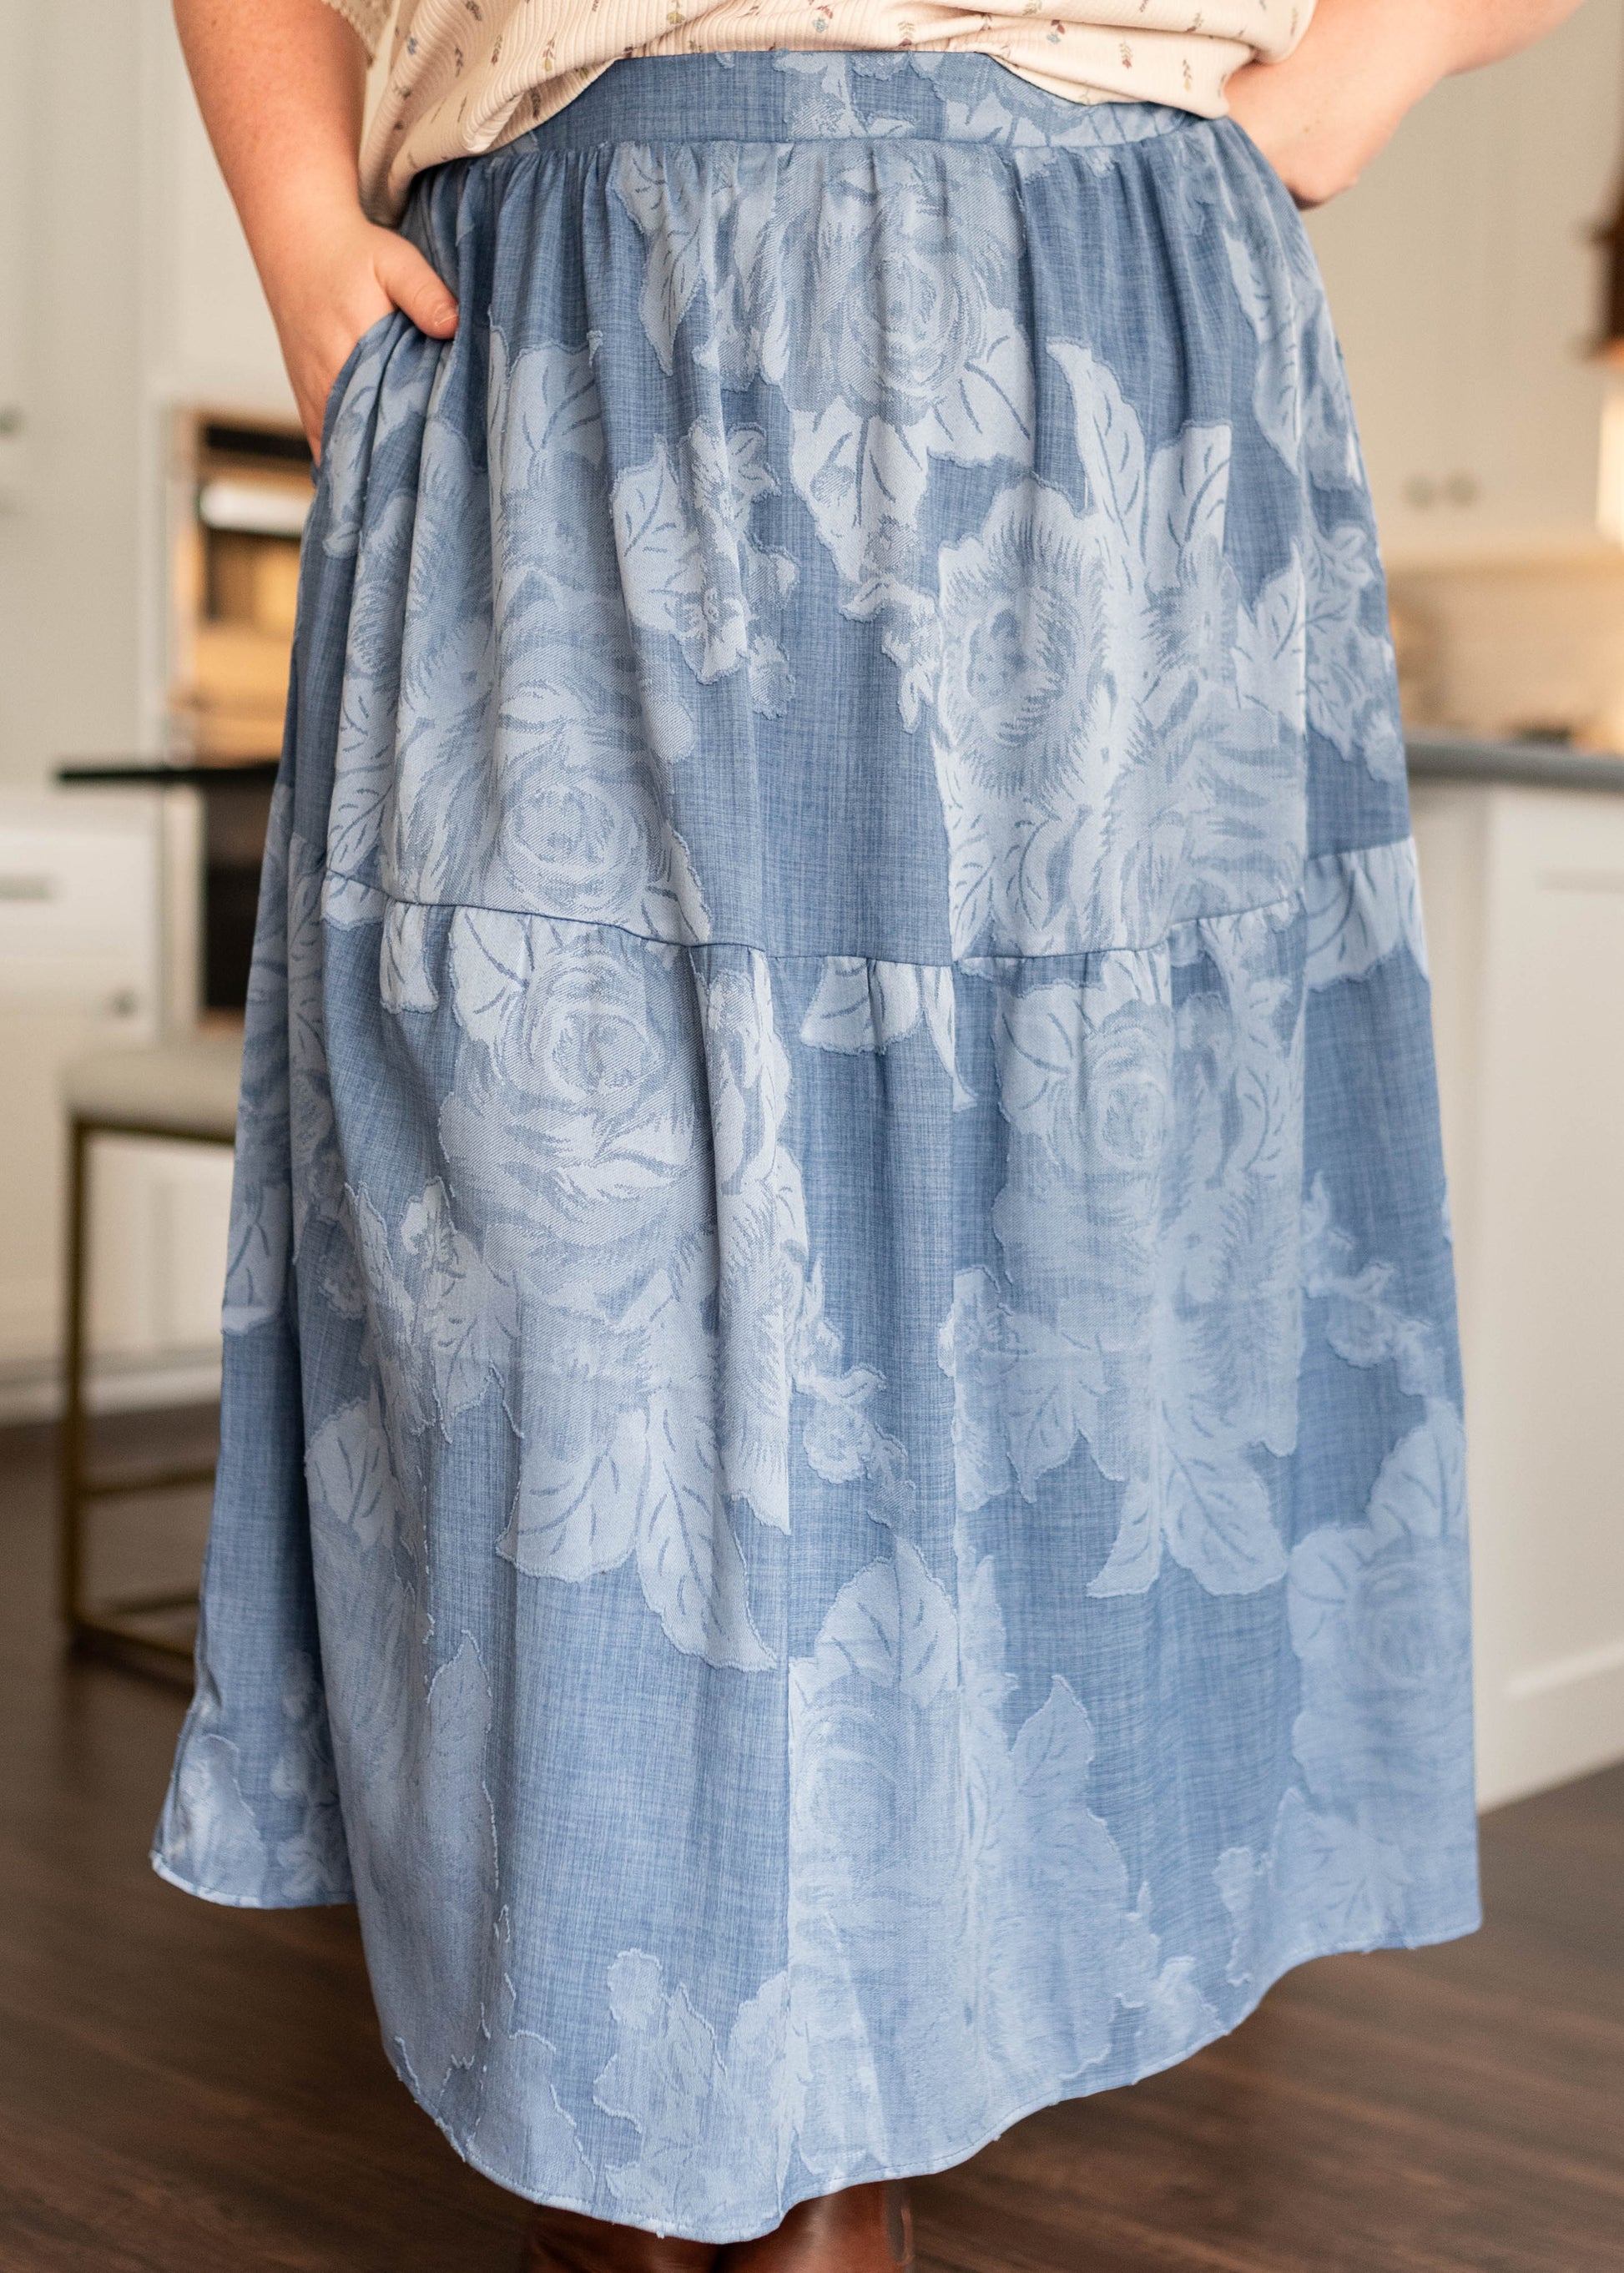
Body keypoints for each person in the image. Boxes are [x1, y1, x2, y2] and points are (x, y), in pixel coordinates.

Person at [154, 3, 1579, 2268]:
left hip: (1090, 353)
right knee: (563, 1355)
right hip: (558, 349)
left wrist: (1359, 71)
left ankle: (819, 2184)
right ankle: (662, 2181)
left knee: (1022, 1357)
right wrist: (296, 226)